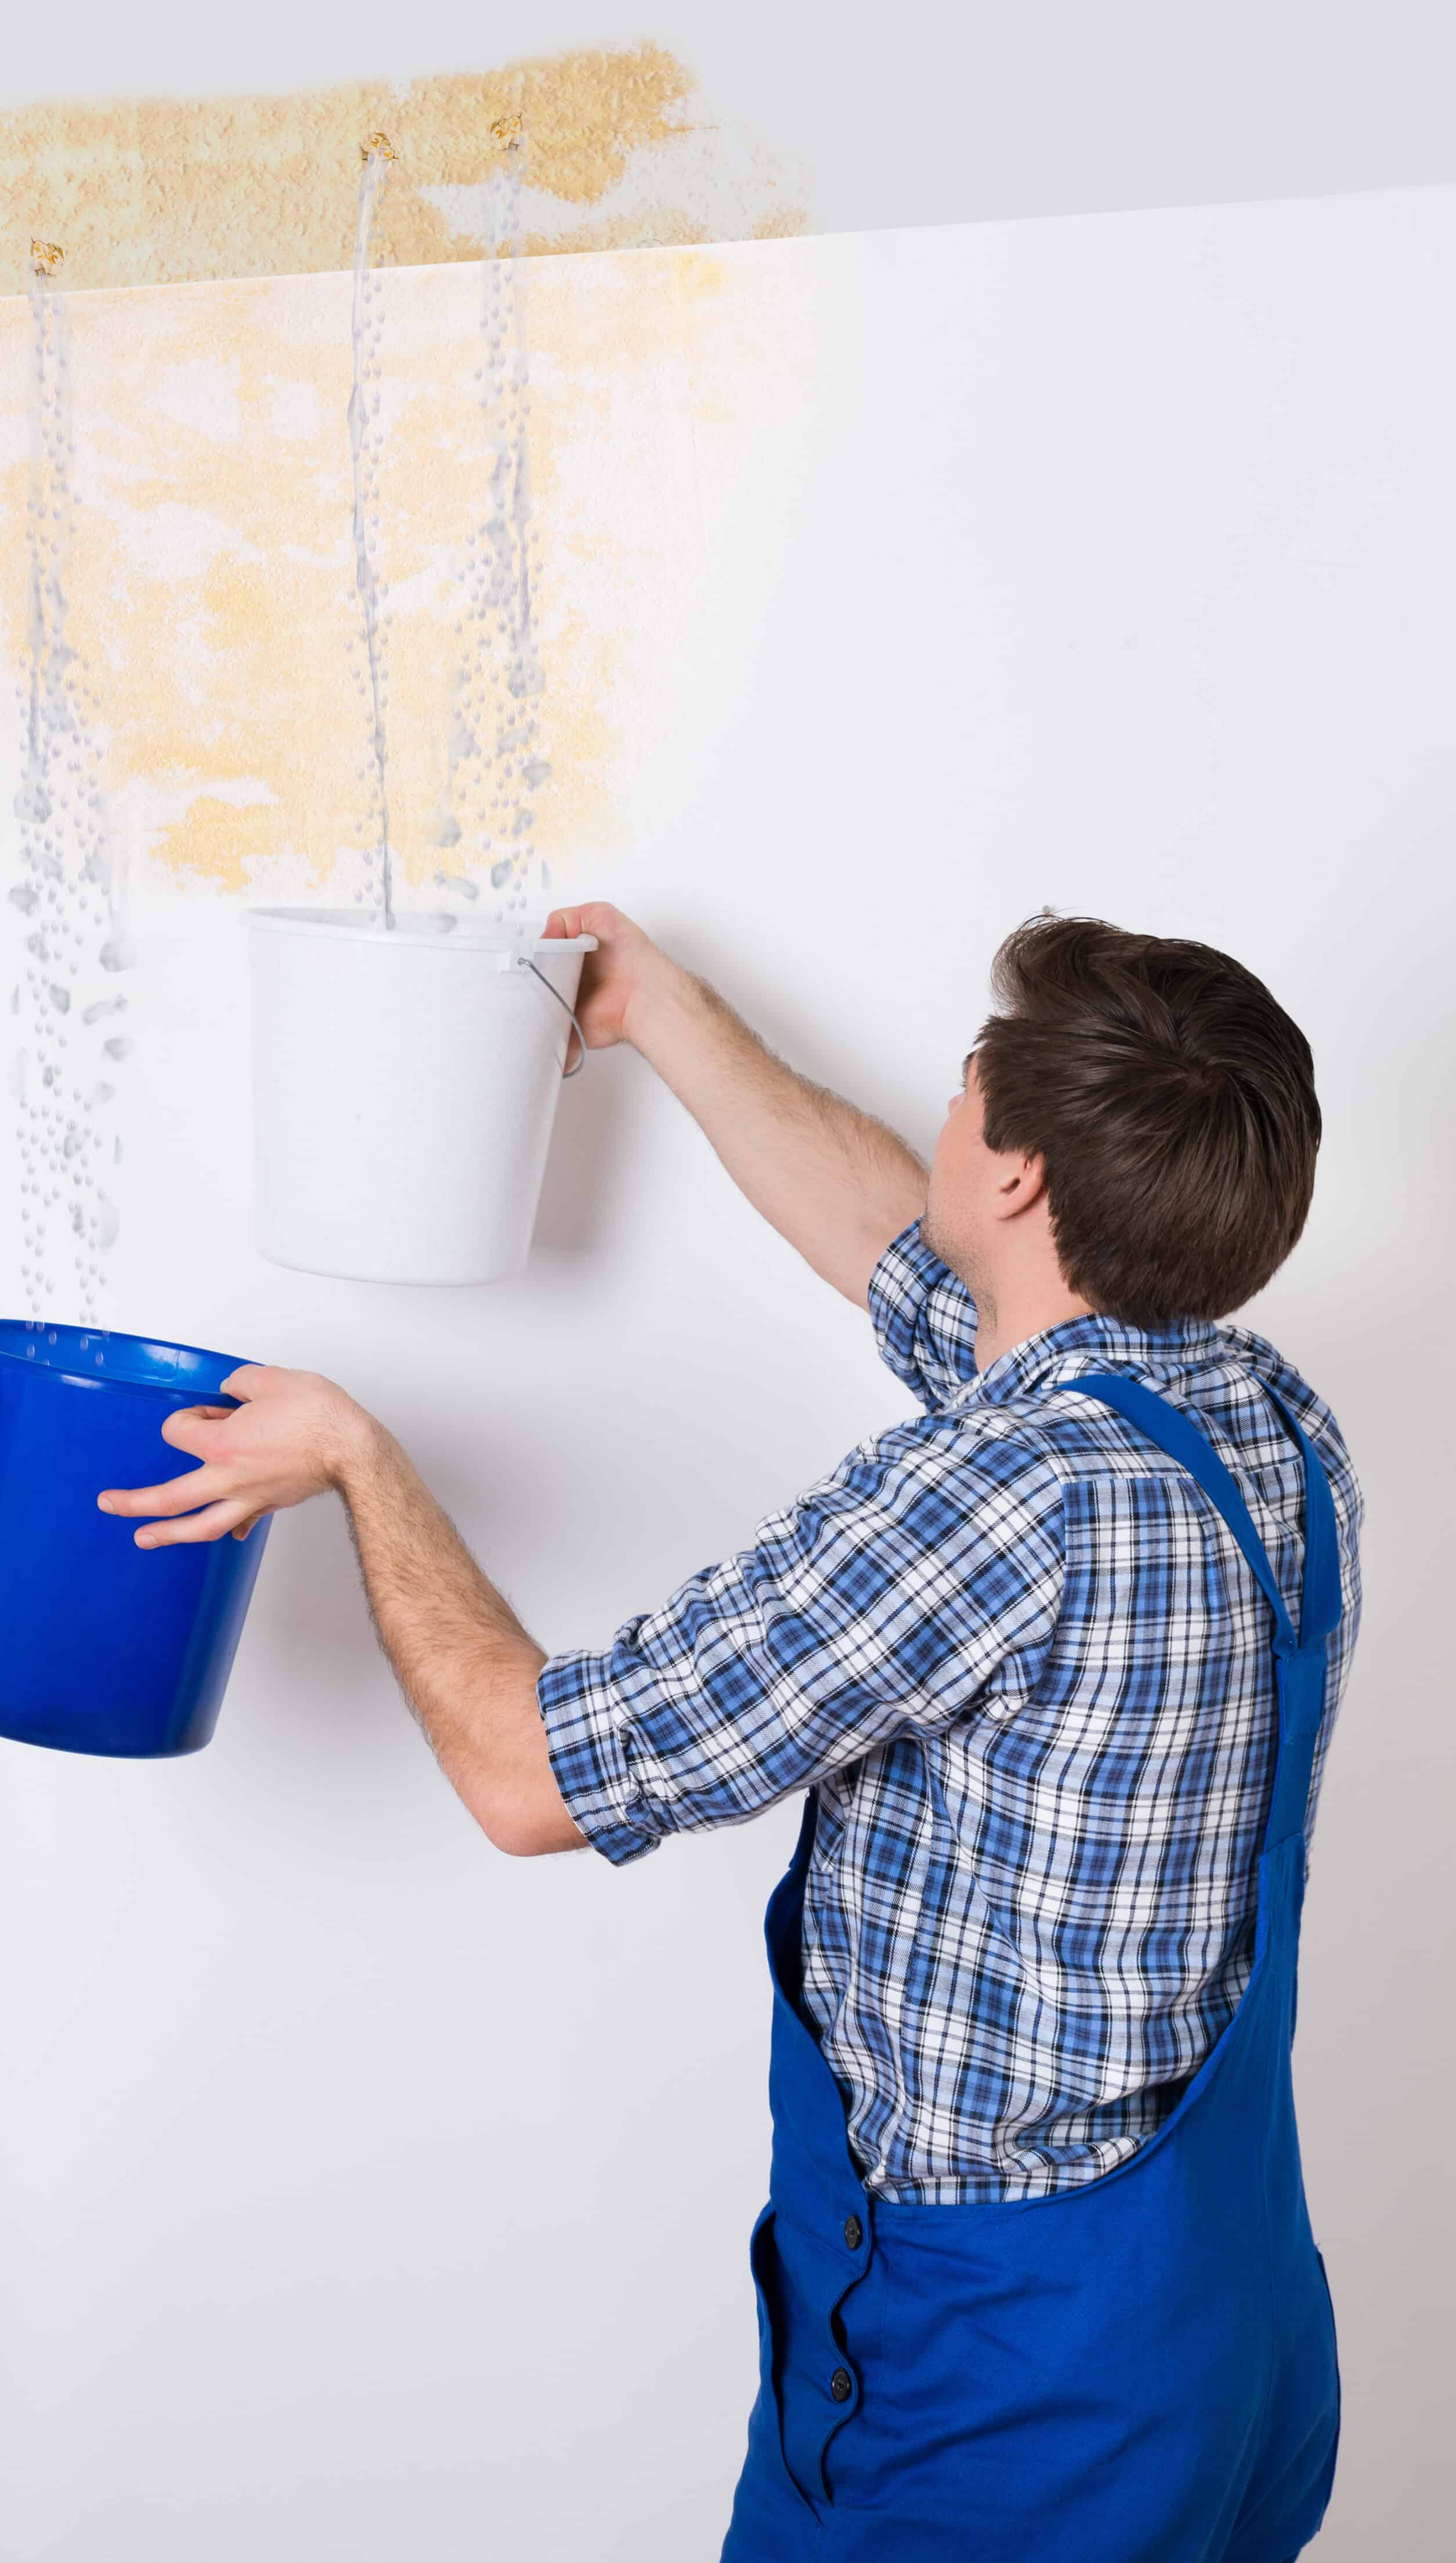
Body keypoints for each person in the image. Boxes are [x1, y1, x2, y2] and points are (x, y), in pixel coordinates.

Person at [102, 905, 1364, 2562]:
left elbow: (529, 1774)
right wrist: (668, 1013)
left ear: (1020, 1180)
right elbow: (906, 1258)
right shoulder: (1257, 1420)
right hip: (1230, 2340)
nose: (950, 1101)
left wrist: (358, 1456)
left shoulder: (991, 1508)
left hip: (1012, 2400)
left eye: (974, 1082)